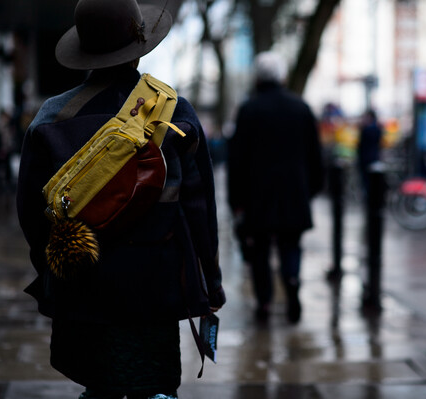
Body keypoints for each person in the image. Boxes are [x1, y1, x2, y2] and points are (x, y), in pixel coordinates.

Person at [16, 1, 226, 398]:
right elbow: (201, 212)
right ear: (139, 47)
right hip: (156, 288)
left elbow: (31, 215)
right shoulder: (174, 112)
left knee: (98, 384)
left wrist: (51, 272)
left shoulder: (50, 118)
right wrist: (211, 285)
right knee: (155, 387)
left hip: (84, 284)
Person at [227, 51, 324, 323]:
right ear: (282, 76)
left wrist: (236, 201)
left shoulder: (248, 110)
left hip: (257, 197)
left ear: (257, 77)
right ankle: (292, 282)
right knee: (290, 245)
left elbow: (237, 161)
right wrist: (312, 189)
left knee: (259, 251)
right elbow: (316, 155)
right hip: (294, 194)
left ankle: (265, 303)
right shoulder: (301, 108)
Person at [357, 108, 383, 200]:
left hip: (366, 159)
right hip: (373, 158)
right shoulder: (378, 128)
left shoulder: (367, 130)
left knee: (368, 182)